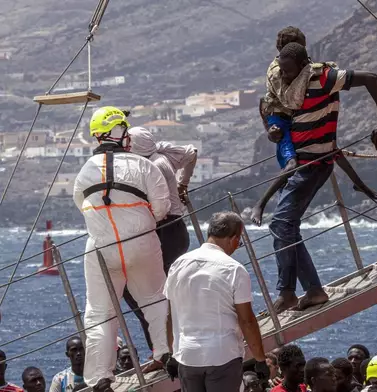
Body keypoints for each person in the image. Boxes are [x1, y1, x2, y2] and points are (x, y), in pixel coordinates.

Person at [269, 42, 377, 313]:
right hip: (301, 164)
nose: (285, 76)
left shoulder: (324, 79)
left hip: (313, 165)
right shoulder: (288, 89)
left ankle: (290, 292)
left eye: (289, 71)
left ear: (303, 66)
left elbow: (370, 78)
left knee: (281, 224)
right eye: (282, 70)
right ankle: (310, 290)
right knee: (285, 226)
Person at [72, 106, 172, 391]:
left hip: (102, 248)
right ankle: (165, 353)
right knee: (155, 299)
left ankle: (100, 376)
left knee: (100, 313)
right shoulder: (144, 166)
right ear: (120, 132)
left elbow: (82, 206)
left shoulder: (83, 172)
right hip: (142, 242)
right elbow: (162, 208)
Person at [252, 27, 377, 227]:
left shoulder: (318, 78)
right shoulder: (279, 73)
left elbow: (332, 148)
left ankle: (263, 204)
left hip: (309, 155)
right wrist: (270, 129)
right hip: (286, 128)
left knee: (282, 223)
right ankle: (261, 205)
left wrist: (360, 183)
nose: (286, 73)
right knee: (284, 215)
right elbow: (280, 103)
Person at [163, 212, 269, 392]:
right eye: (239, 241)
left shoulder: (178, 264)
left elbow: (171, 315)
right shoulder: (234, 270)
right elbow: (247, 321)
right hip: (222, 356)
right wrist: (260, 360)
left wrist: (173, 354)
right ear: (234, 239)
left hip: (187, 357)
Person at [122, 126, 196, 352]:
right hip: (177, 230)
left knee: (138, 292)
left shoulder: (148, 167)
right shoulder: (162, 155)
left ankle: (162, 349)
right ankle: (170, 345)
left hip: (166, 231)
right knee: (165, 293)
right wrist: (183, 183)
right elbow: (192, 152)